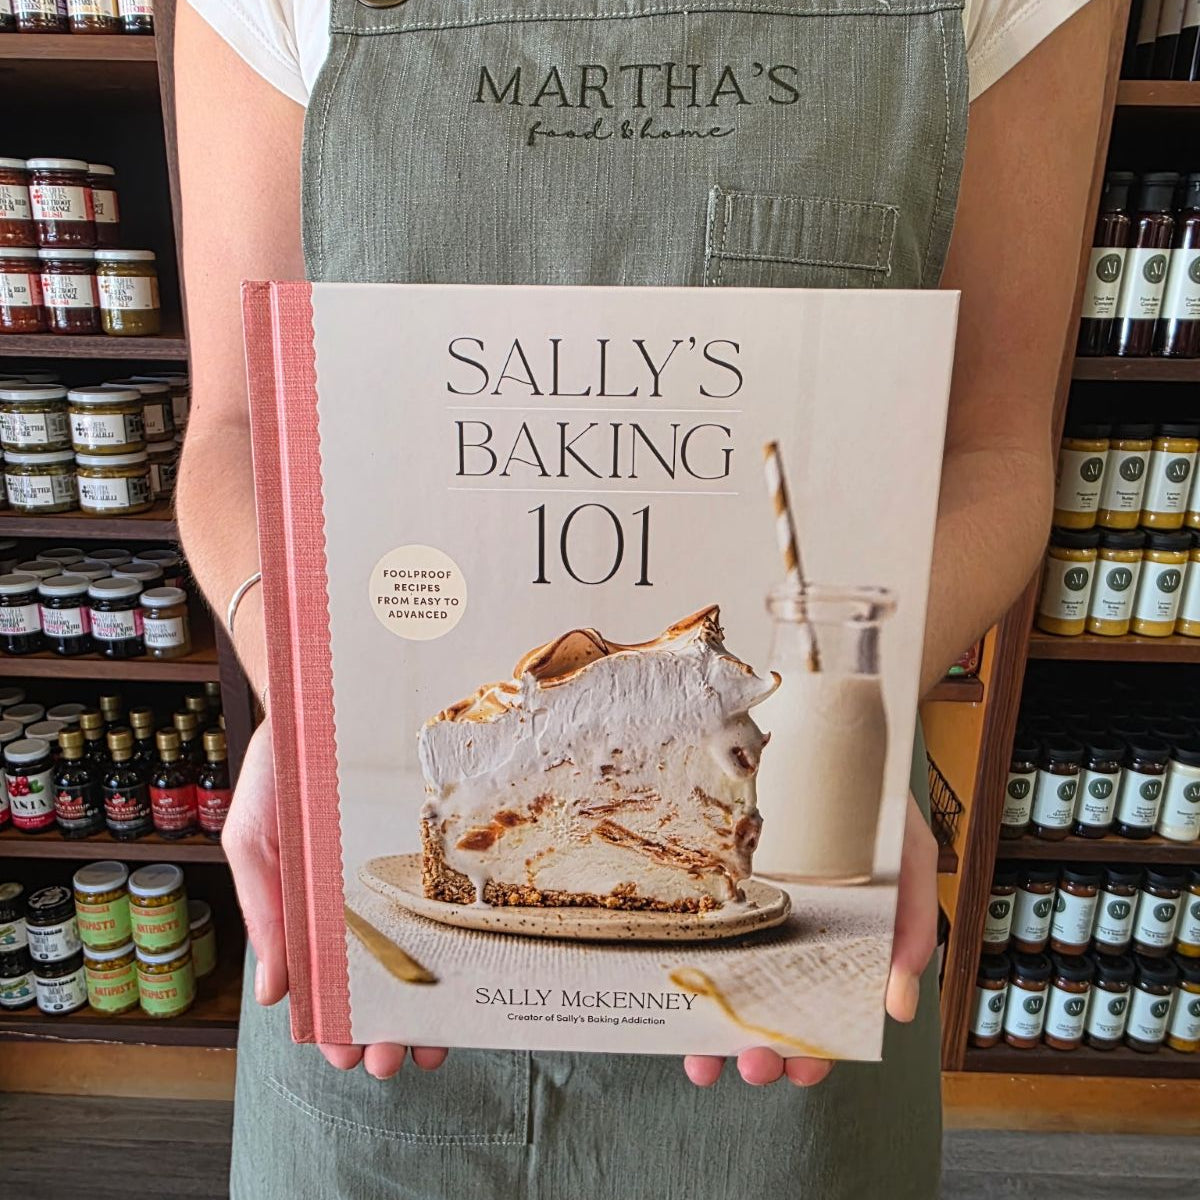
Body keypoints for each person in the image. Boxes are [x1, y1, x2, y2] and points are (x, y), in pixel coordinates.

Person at [174, 0, 1116, 1195]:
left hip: (783, 971)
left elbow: (994, 448)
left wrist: (846, 735)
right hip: (387, 969)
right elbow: (237, 431)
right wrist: (309, 703)